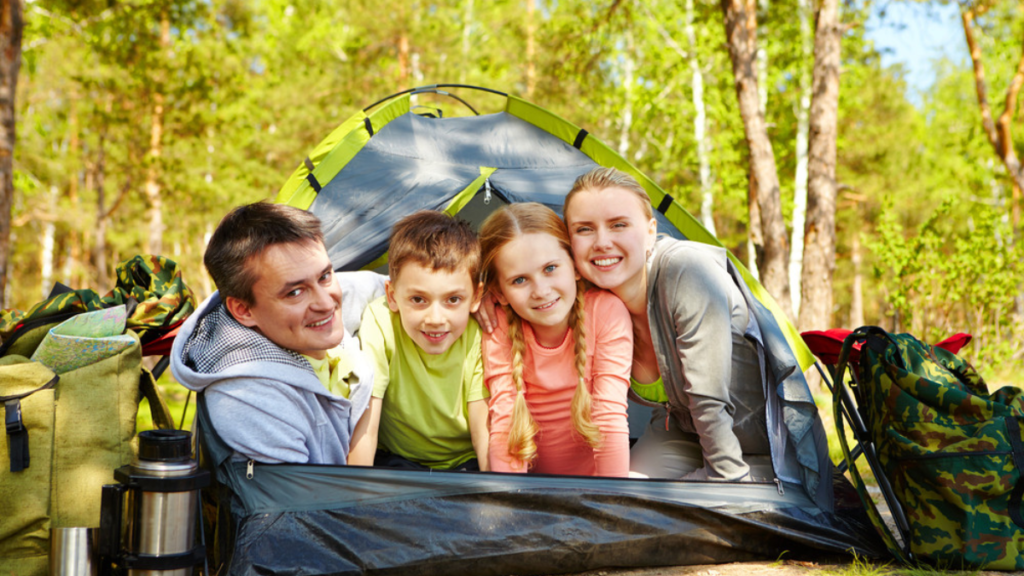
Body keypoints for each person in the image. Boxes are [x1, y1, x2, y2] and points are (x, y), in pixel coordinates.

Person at [561, 167, 770, 481]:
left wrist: (722, 482)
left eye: (618, 224)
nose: (602, 242)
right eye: (584, 229)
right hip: (680, 434)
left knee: (659, 511)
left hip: (758, 444)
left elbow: (708, 400)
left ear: (650, 231)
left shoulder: (685, 270)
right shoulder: (586, 300)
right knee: (617, 496)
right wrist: (486, 307)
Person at [171, 202, 373, 465]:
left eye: (324, 276)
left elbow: (393, 286)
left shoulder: (304, 320)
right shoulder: (250, 401)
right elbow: (304, 504)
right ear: (244, 310)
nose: (326, 303)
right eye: (295, 292)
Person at [478, 203, 631, 476]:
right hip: (533, 492)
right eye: (519, 280)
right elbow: (505, 424)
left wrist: (613, 505)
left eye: (550, 268)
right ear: (498, 293)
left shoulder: (605, 312)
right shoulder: (498, 325)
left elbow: (609, 419)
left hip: (600, 485)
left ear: (574, 266)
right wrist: (511, 507)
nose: (541, 290)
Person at [350, 210, 490, 471]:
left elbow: (484, 434)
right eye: (418, 300)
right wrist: (354, 502)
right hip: (398, 459)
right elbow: (366, 426)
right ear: (392, 296)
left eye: (453, 300)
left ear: (476, 297)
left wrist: (495, 502)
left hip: (464, 462)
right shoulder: (380, 321)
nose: (436, 319)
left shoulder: (478, 332)